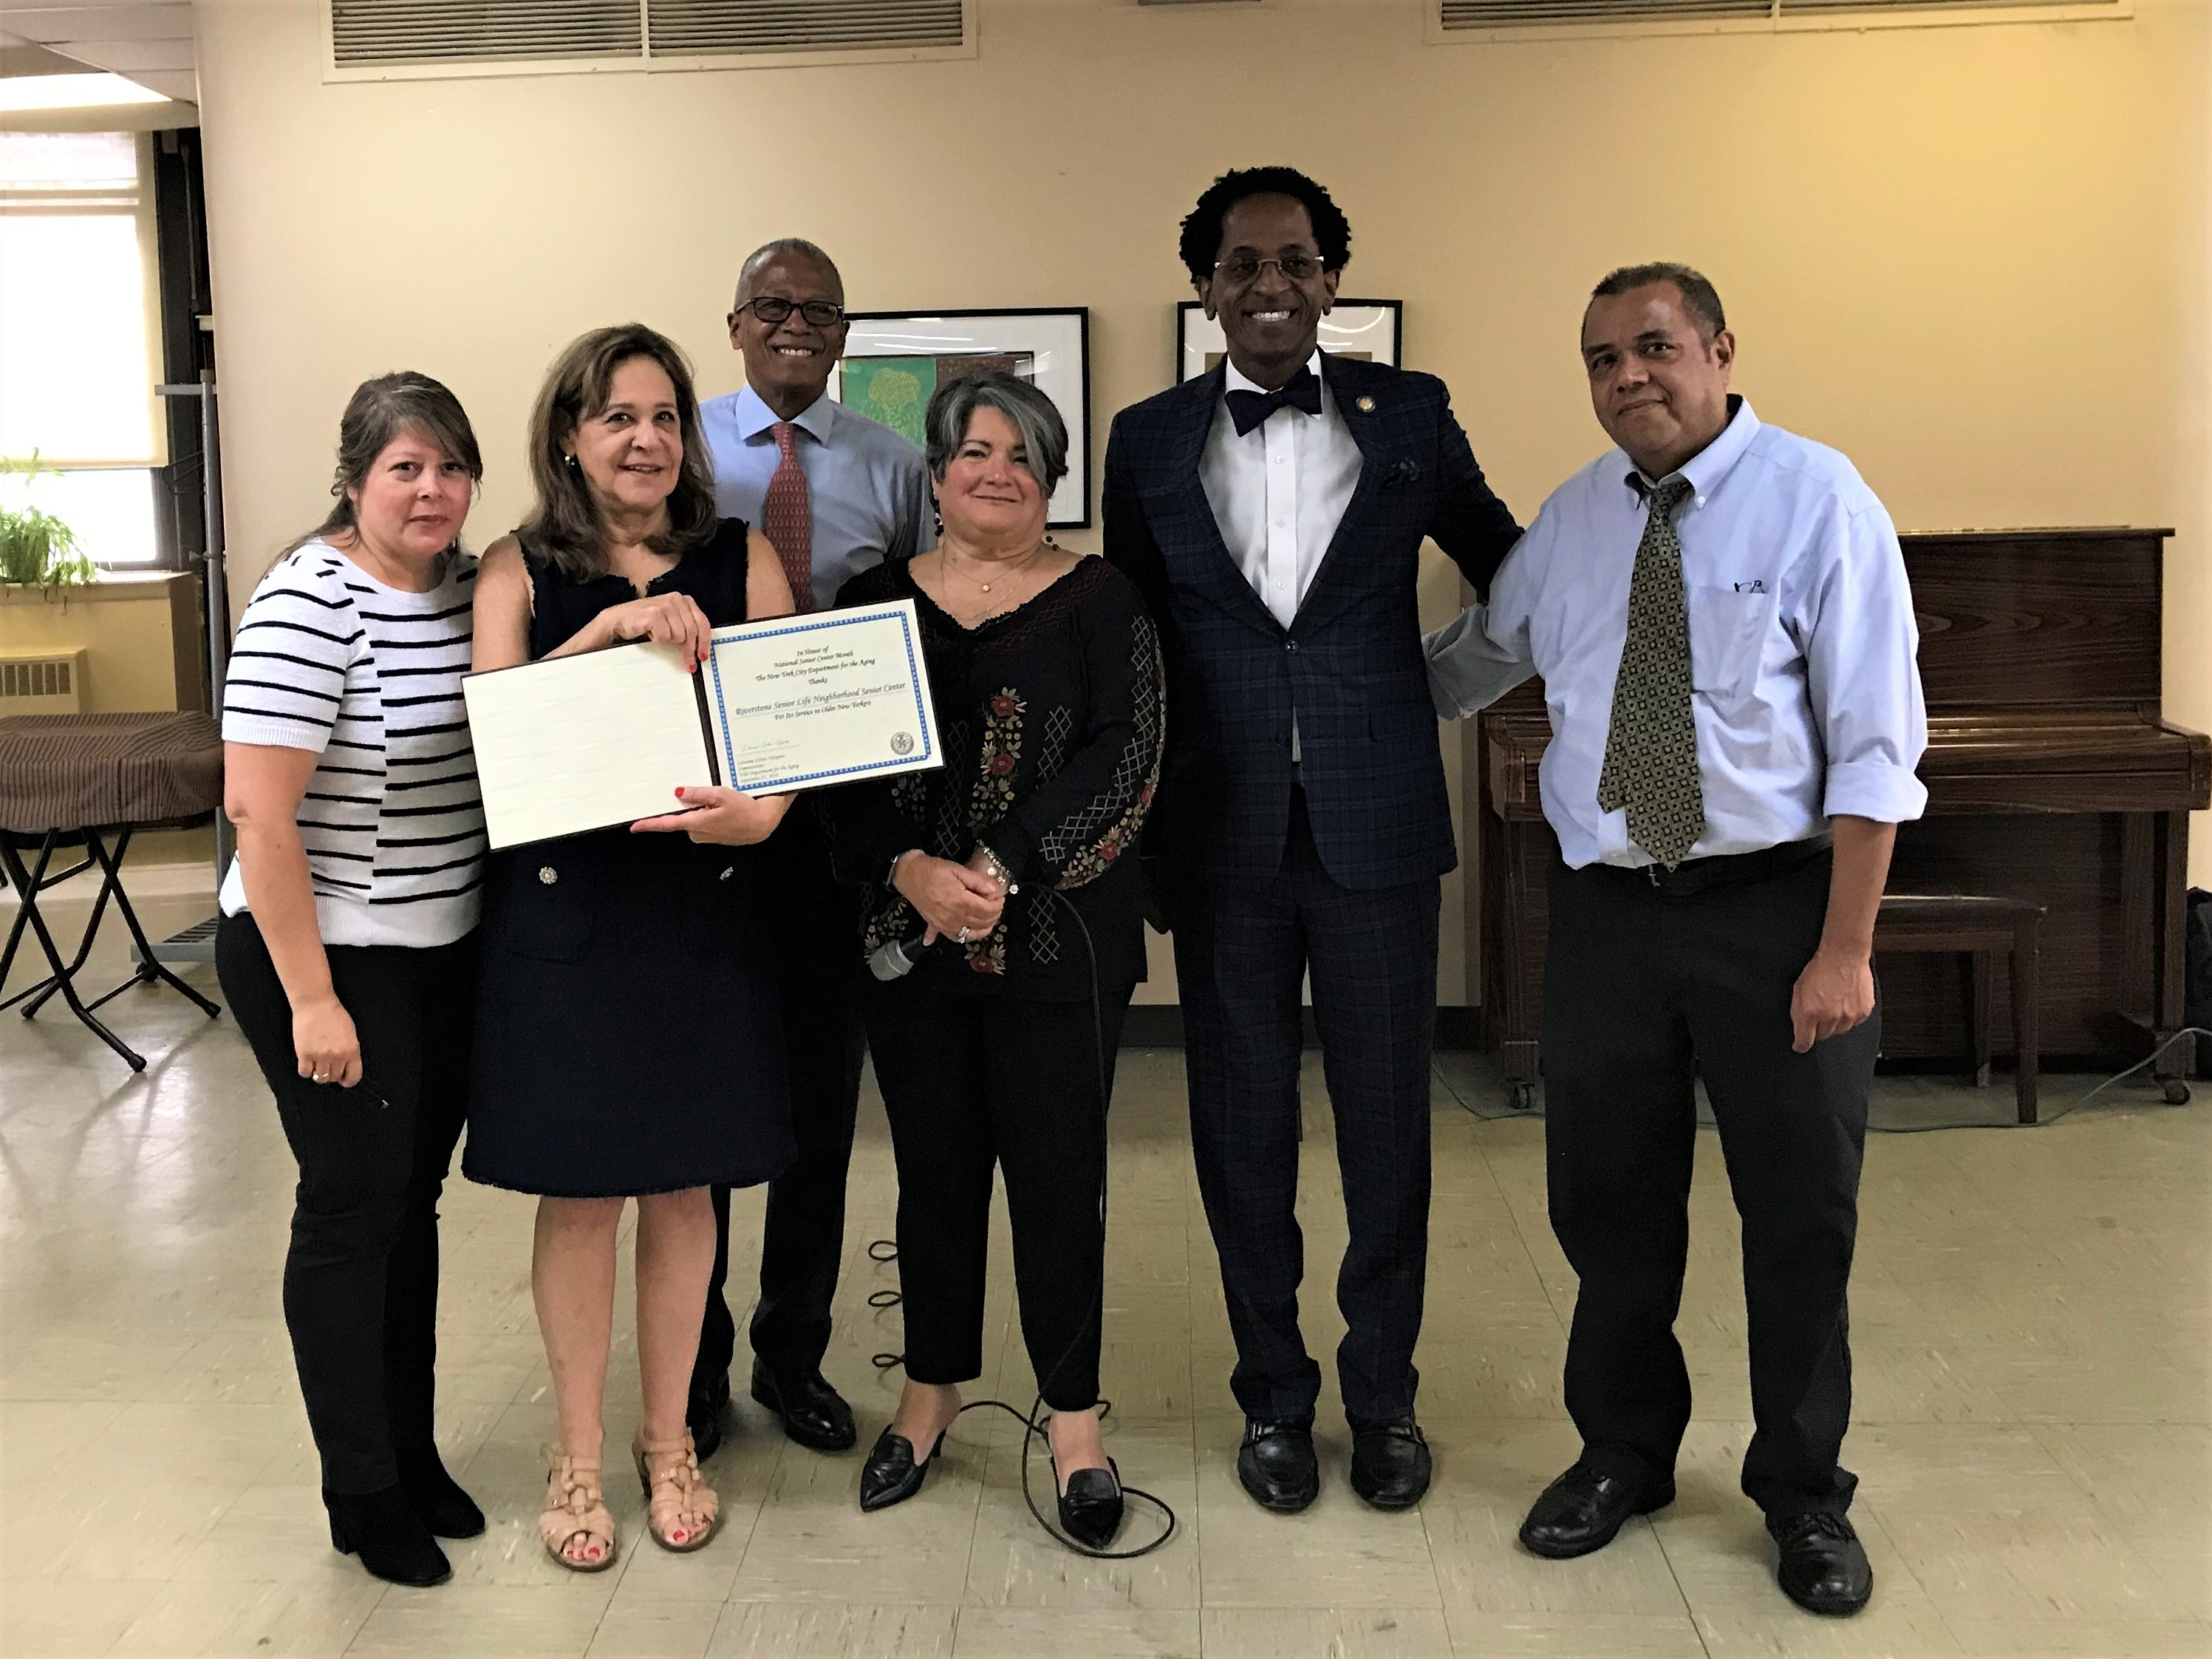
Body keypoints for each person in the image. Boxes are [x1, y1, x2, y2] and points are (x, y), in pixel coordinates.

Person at [1424, 263, 1926, 1616]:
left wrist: (1843, 950)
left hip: (1776, 911)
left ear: (1716, 349)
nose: (1624, 376)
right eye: (1598, 359)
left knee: (1797, 1213)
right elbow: (1478, 658)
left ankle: (1803, 1491)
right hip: (1604, 913)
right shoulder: (1572, 522)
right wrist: (1320, 676)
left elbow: (1881, 750)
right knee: (1608, 1201)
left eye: (1650, 347)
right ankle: (1624, 1452)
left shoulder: (1821, 499)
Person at [1103, 166, 1522, 1514]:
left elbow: (1508, 561)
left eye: (1294, 262)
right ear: (1205, 285)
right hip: (1220, 834)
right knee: (1239, 1127)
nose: (1269, 286)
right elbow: (1135, 641)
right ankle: (1272, 1395)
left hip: (1378, 826)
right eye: (1241, 265)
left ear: (1331, 279)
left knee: (1388, 1123)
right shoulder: (1148, 437)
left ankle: (1384, 1397)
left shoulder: (1412, 413)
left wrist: (1437, 680)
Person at [465, 323, 799, 1573]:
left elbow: (782, 749)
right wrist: (604, 633)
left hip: (701, 914)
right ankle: (574, 1453)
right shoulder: (516, 564)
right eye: (616, 416)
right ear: (570, 434)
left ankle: (669, 1443)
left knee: (684, 1185)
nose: (645, 437)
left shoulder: (742, 556)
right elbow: (500, 740)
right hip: (566, 921)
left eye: (664, 416)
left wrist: (756, 816)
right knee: (582, 1189)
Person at [826, 372, 1163, 1550]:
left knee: (1061, 1178)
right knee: (935, 1175)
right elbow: (835, 768)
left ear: (1050, 477)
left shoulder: (1102, 599)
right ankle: (930, 1394)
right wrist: (913, 869)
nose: (996, 469)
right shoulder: (870, 602)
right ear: (935, 472)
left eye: (1023, 453)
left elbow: (1129, 755)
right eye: (973, 449)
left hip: (1059, 945)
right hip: (911, 944)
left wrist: (1001, 864)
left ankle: (1074, 1421)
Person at [216, 372, 490, 1589]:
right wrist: (312, 997)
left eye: (450, 467)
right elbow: (257, 817)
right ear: (355, 478)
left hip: (439, 946)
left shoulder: (466, 588)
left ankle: (411, 1453)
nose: (431, 490)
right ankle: (361, 1489)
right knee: (348, 1212)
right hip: (325, 950)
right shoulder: (308, 602)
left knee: (407, 1208)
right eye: (405, 469)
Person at [689, 238, 935, 1459]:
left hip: (832, 824)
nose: (794, 324)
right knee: (700, 1101)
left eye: (818, 311)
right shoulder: (672, 445)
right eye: (772, 306)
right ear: (735, 324)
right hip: (695, 816)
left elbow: (919, 617)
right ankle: (690, 1365)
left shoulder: (892, 464)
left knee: (817, 1107)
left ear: (845, 335)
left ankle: (792, 1357)